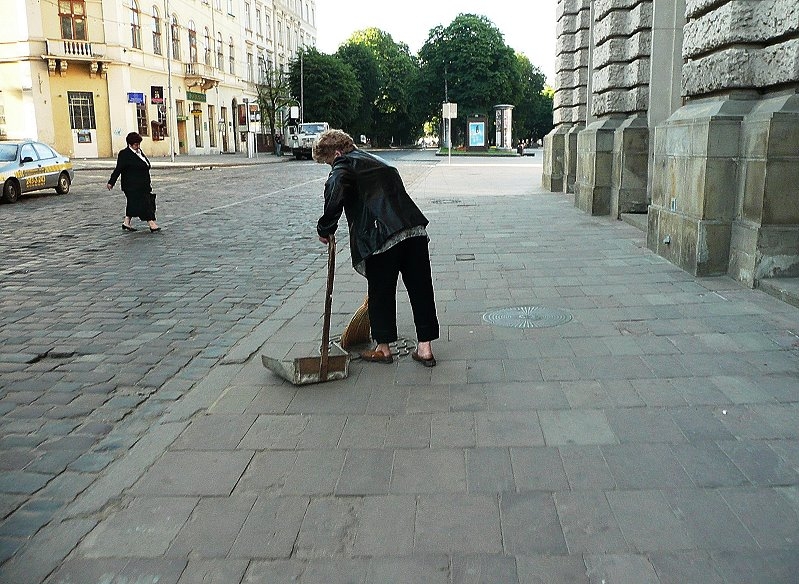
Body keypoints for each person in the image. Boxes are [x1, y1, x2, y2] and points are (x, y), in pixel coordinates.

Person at [314, 129, 439, 367]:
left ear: (338, 153)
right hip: (413, 231)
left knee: (381, 292)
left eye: (328, 162)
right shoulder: (376, 160)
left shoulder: (344, 164)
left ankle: (383, 348)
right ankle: (425, 348)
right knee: (421, 289)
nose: (330, 167)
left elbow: (336, 185)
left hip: (381, 237)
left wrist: (325, 228)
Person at [107, 132, 160, 232]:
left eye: (139, 144)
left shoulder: (139, 152)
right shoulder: (124, 154)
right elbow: (118, 169)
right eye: (136, 144)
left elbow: (146, 165)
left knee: (133, 203)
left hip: (143, 184)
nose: (138, 146)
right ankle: (151, 223)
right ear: (130, 144)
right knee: (144, 203)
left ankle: (126, 222)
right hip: (131, 185)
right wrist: (111, 182)